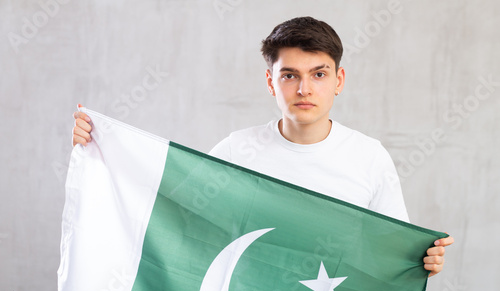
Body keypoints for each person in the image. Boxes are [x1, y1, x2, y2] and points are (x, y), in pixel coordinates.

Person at [72, 16, 453, 276]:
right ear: (271, 82)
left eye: (318, 74)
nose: (304, 89)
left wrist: (424, 261)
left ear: (338, 79)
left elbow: (392, 256)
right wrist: (100, 150)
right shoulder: (237, 151)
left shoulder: (369, 158)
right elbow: (173, 217)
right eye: (289, 75)